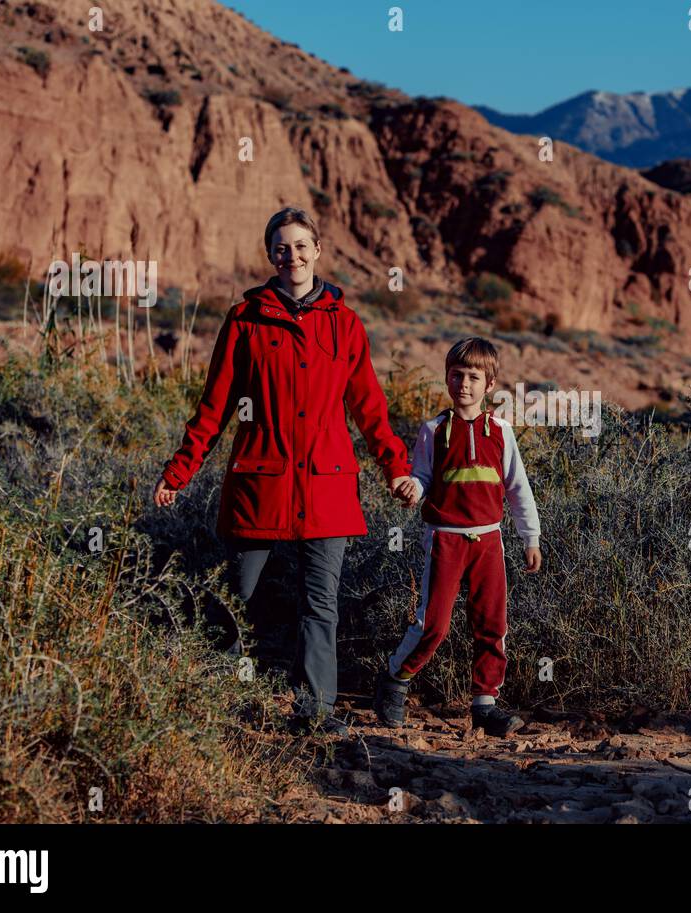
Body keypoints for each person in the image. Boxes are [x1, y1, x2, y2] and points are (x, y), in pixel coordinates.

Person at [153, 207, 413, 735]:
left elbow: (370, 409)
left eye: (300, 246)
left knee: (321, 606)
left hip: (327, 486)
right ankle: (211, 702)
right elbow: (214, 408)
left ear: (317, 251)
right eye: (280, 248)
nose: (290, 256)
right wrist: (178, 473)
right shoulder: (245, 320)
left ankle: (314, 714)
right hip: (260, 484)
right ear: (269, 256)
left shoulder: (344, 324)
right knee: (234, 598)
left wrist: (396, 470)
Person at [375, 337, 543, 737]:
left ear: (489, 384)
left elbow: (518, 488)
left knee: (492, 622)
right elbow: (422, 476)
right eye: (456, 375)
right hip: (444, 539)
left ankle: (485, 704)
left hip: (489, 541)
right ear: (447, 378)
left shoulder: (500, 431)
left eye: (473, 377)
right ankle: (395, 680)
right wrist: (413, 489)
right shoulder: (433, 430)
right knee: (433, 624)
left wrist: (530, 537)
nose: (463, 384)